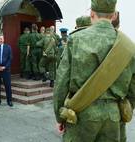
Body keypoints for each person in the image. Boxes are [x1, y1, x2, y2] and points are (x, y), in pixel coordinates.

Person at [54, 0, 135, 141]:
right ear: (114, 15)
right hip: (113, 116)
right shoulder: (128, 46)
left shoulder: (75, 39)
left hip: (80, 113)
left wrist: (60, 116)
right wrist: (126, 110)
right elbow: (133, 88)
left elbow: (61, 82)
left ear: (91, 13)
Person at [111, 11, 125, 142]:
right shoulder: (127, 46)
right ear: (119, 26)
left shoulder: (80, 40)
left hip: (89, 106)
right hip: (117, 107)